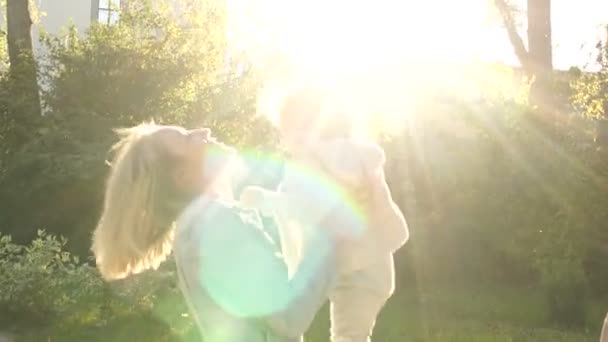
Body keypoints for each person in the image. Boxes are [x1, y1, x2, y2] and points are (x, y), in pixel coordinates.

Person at [91, 123, 336, 341]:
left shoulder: (200, 229)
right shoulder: (216, 227)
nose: (204, 131)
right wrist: (330, 237)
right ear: (183, 177)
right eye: (188, 138)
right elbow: (288, 318)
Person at [240, 88, 410, 342]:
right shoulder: (353, 155)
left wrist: (267, 200)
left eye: (292, 125)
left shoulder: (318, 160)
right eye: (285, 127)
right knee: (349, 334)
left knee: (343, 334)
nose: (287, 135)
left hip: (356, 266)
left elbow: (310, 204)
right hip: (367, 263)